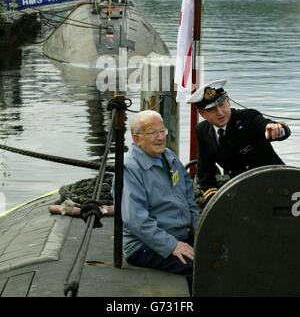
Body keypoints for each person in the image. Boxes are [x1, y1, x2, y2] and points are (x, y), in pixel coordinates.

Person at [122, 110, 199, 294]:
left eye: (162, 131)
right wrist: (171, 245)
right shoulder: (130, 169)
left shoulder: (169, 157)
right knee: (203, 269)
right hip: (144, 245)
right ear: (137, 139)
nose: (160, 138)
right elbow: (136, 220)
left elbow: (189, 197)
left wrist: (199, 230)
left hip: (179, 233)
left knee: (224, 255)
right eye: (152, 133)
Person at [187, 79, 291, 207]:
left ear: (228, 101)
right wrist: (214, 199)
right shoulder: (202, 130)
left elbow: (274, 128)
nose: (220, 112)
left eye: (222, 104)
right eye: (212, 109)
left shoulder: (248, 118)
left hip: (275, 185)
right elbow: (204, 171)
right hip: (241, 191)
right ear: (202, 114)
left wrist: (277, 129)